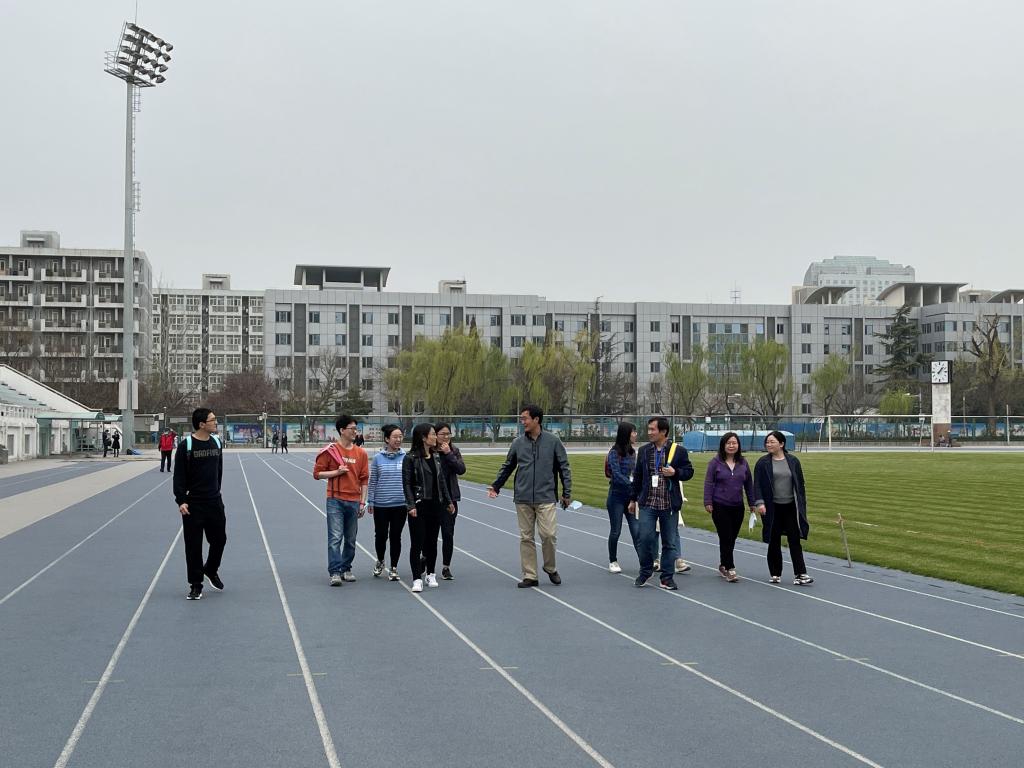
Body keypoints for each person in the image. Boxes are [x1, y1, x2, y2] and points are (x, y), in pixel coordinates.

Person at [488, 405, 572, 588]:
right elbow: (508, 466)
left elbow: (564, 467)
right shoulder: (518, 443)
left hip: (546, 496)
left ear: (536, 420)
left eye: (525, 418)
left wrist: (567, 492)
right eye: (521, 418)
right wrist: (496, 486)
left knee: (548, 535)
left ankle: (550, 568)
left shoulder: (553, 441)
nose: (522, 422)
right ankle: (530, 575)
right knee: (526, 537)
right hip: (523, 497)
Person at [629, 417, 694, 590]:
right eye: (649, 429)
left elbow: (689, 472)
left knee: (669, 542)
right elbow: (638, 476)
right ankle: (646, 570)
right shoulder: (644, 451)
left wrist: (675, 472)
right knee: (644, 538)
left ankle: (666, 577)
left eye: (653, 429)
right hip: (648, 503)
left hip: (669, 504)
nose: (649, 432)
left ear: (663, 431)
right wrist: (633, 499)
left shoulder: (678, 451)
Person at [173, 408, 226, 600]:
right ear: (202, 424)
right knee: (193, 546)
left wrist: (216, 491)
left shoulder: (217, 443)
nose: (216, 422)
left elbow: (219, 471)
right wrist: (181, 500)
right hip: (193, 504)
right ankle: (196, 585)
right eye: (212, 420)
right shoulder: (186, 446)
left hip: (214, 501)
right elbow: (179, 476)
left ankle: (211, 569)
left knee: (220, 540)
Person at [313, 414, 369, 586]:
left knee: (350, 539)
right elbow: (317, 474)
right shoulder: (331, 451)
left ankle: (346, 568)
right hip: (335, 499)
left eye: (356, 429)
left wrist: (362, 502)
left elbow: (364, 480)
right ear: (342, 430)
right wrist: (336, 472)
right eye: (352, 429)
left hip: (354, 500)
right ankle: (335, 571)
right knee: (335, 537)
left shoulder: (361, 453)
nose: (355, 432)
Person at [753, 431, 813, 586]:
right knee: (774, 540)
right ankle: (775, 573)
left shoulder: (793, 461)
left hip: (790, 506)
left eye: (772, 442)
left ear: (781, 444)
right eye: (767, 442)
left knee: (794, 539)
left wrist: (801, 503)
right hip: (772, 507)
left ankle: (800, 573)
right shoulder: (762, 463)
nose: (769, 444)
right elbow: (757, 484)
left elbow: (800, 483)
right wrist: (760, 503)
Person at [402, 423, 454, 593]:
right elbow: (407, 483)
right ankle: (417, 578)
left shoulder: (436, 456)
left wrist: (448, 501)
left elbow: (442, 481)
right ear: (424, 437)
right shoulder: (410, 458)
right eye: (432, 434)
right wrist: (411, 504)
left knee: (432, 541)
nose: (435, 437)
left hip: (435, 504)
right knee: (417, 542)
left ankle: (431, 573)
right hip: (419, 505)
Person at [703, 431, 756, 582]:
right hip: (720, 505)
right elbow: (709, 483)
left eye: (734, 443)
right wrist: (708, 502)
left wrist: (752, 502)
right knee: (725, 536)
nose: (731, 446)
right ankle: (730, 568)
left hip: (737, 506)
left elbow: (748, 483)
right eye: (728, 443)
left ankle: (723, 564)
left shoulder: (743, 462)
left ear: (738, 445)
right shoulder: (715, 463)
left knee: (731, 538)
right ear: (723, 445)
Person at [367, 424, 407, 581]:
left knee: (396, 536)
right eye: (395, 437)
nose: (398, 439)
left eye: (400, 436)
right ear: (387, 439)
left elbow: (410, 480)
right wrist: (370, 501)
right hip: (381, 504)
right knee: (381, 535)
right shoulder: (378, 458)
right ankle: (380, 560)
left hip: (400, 504)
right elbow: (373, 481)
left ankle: (394, 567)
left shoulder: (406, 457)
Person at [606, 421, 644, 573]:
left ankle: (644, 562)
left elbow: (635, 472)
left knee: (636, 531)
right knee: (616, 531)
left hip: (630, 498)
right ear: (627, 434)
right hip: (616, 496)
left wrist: (637, 486)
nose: (635, 435)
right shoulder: (614, 452)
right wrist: (632, 484)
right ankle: (613, 560)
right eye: (633, 432)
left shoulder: (633, 453)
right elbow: (616, 474)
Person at [435, 422, 466, 580]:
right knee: (429, 533)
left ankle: (446, 566)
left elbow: (461, 469)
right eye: (443, 434)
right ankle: (425, 558)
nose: (446, 437)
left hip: (450, 499)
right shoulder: (430, 451)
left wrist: (448, 454)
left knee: (448, 533)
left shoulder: (454, 451)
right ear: (435, 435)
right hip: (433, 497)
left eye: (448, 434)